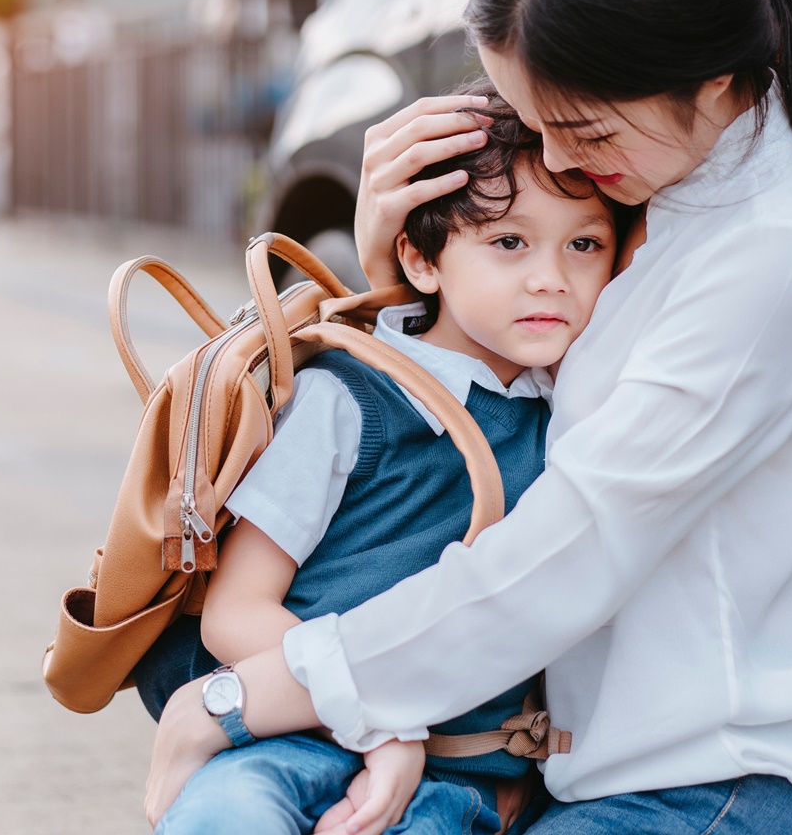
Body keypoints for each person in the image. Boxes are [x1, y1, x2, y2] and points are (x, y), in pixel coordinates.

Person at [146, 0, 792, 835]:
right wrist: (401, 268)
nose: (558, 161)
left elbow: (564, 556)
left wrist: (244, 698)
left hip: (721, 790)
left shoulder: (771, 253)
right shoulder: (660, 193)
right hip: (602, 779)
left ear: (720, 80)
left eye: (585, 132)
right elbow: (491, 428)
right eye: (528, 118)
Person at [151, 94, 619, 834]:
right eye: (508, 243)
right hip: (289, 739)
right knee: (229, 816)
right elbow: (235, 613)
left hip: (458, 781)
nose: (550, 278)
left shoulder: (573, 416)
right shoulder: (350, 400)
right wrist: (373, 722)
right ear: (420, 259)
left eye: (584, 245)